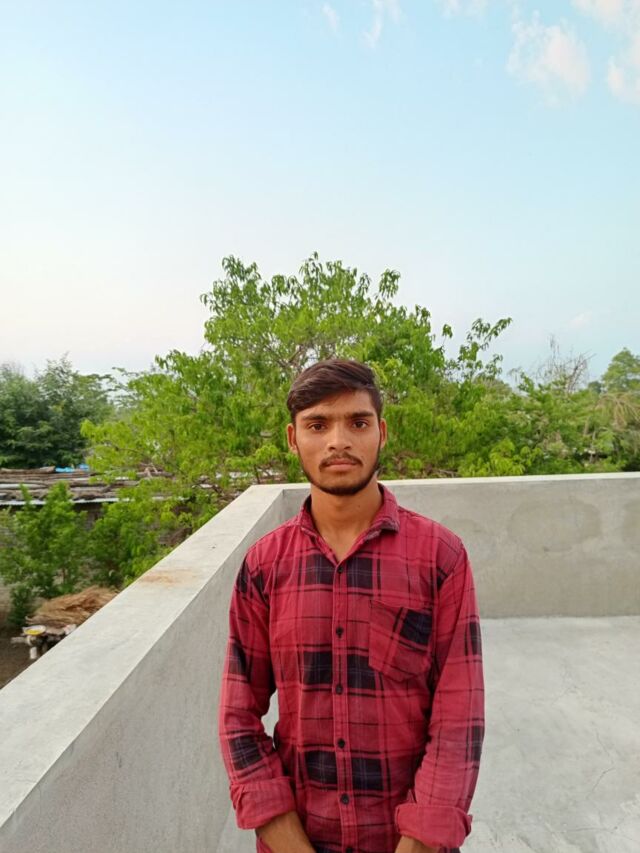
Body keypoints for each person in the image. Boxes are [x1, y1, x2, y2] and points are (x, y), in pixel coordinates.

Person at [218, 359, 485, 853]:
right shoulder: (264, 565)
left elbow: (458, 719)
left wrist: (418, 842)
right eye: (318, 425)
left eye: (357, 423)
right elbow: (238, 716)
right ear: (293, 439)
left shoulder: (440, 557)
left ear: (382, 432)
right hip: (299, 837)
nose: (338, 441)